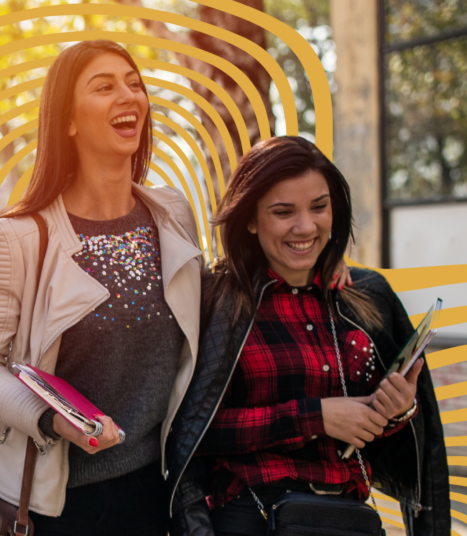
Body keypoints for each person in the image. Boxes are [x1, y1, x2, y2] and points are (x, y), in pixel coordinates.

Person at [0, 40, 204, 536]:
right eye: (104, 87)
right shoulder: (17, 236)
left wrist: (323, 264)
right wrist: (50, 419)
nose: (127, 96)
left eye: (134, 84)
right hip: (52, 506)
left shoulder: (172, 212)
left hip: (158, 492)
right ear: (67, 121)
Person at [166, 136, 450, 535]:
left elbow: (405, 448)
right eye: (284, 212)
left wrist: (397, 411)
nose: (306, 227)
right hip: (253, 517)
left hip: (348, 520)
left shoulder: (366, 296)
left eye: (319, 207)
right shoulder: (214, 299)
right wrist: (314, 417)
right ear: (250, 219)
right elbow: (190, 432)